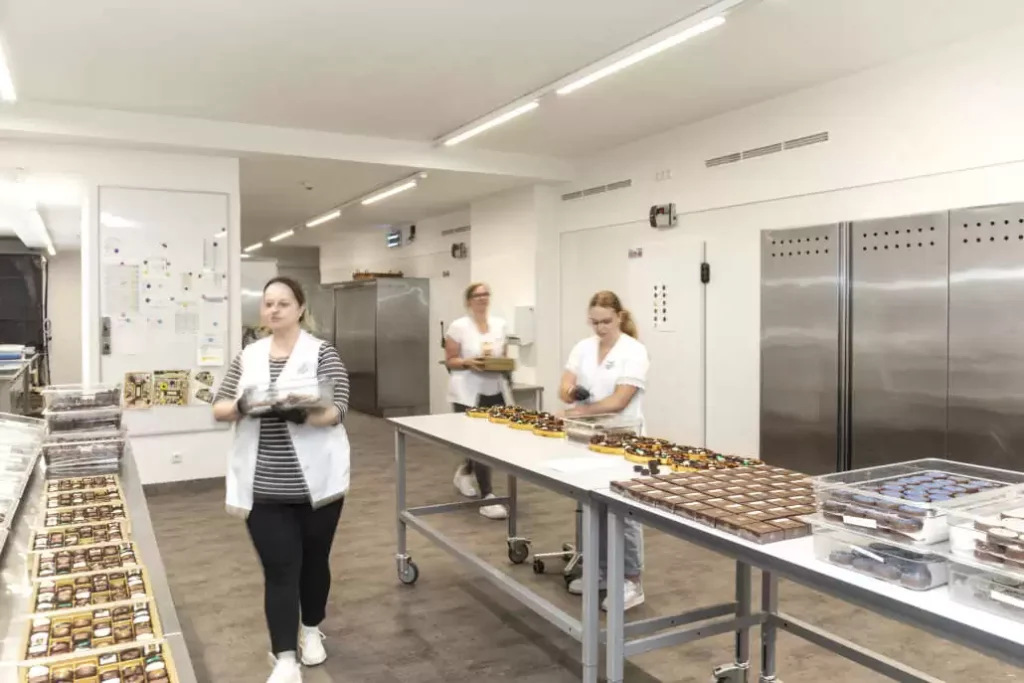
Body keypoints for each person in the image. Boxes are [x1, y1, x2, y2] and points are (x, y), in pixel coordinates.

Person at [213, 276, 350, 683]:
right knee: (279, 568)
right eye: (268, 303)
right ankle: (285, 657)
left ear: (300, 308)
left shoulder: (322, 353)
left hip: (318, 487)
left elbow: (338, 409)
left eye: (283, 303)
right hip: (264, 487)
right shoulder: (249, 356)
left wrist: (302, 413)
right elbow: (219, 407)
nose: (274, 310)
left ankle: (311, 629)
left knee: (313, 562)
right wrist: (243, 405)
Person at [560, 290, 649, 611]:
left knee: (624, 512)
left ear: (620, 317)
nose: (599, 329)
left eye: (606, 322)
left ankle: (631, 580)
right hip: (587, 440)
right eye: (594, 322)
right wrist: (571, 392)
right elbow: (564, 385)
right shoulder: (583, 348)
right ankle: (599, 571)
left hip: (623, 440)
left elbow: (620, 400)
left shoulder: (634, 351)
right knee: (590, 504)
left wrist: (583, 410)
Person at [445, 282, 509, 520]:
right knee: (478, 442)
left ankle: (465, 471)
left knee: (490, 442)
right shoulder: (458, 326)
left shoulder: (500, 324)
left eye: (485, 294)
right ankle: (487, 496)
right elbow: (450, 360)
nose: (482, 299)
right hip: (467, 392)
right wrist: (469, 362)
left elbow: (504, 356)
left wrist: (502, 365)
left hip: (494, 389)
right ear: (469, 300)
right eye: (477, 295)